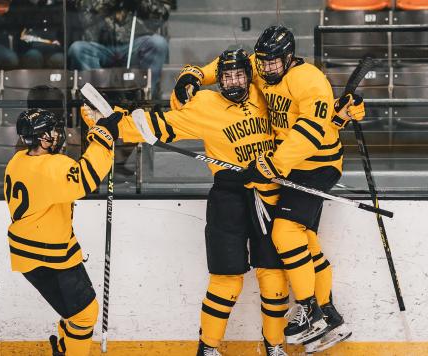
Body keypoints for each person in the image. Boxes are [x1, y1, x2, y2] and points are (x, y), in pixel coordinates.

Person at [82, 49, 294, 356]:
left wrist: (195, 72)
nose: (233, 81)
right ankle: (207, 349)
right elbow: (157, 125)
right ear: (220, 80)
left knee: (273, 274)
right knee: (227, 278)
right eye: (226, 76)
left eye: (239, 75)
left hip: (270, 191)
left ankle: (275, 346)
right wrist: (113, 123)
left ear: (250, 75)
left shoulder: (266, 91)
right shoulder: (204, 105)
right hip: (229, 195)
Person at [171, 26, 365, 352]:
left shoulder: (309, 79)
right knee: (306, 242)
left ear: (289, 57)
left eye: (274, 62)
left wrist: (273, 163)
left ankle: (309, 311)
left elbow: (311, 131)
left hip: (315, 166)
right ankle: (326, 310)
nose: (267, 68)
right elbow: (229, 65)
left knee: (286, 234)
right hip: (289, 170)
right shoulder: (261, 67)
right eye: (262, 62)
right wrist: (193, 75)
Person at [4, 107, 123, 356]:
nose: (59, 135)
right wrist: (104, 137)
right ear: (44, 138)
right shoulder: (53, 166)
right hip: (51, 257)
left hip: (27, 256)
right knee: (85, 315)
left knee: (74, 312)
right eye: (54, 132)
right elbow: (86, 178)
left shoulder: (17, 160)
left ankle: (63, 348)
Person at [68, 0, 169, 95]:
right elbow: (83, 11)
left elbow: (162, 14)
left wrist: (141, 2)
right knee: (78, 49)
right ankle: (97, 101)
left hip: (135, 43)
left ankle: (145, 99)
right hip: (100, 45)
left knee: (158, 43)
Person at [5, 0, 64, 69]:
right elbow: (12, 31)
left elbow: (66, 33)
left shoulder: (61, 4)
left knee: (59, 59)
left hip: (54, 49)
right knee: (33, 56)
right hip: (29, 48)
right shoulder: (20, 4)